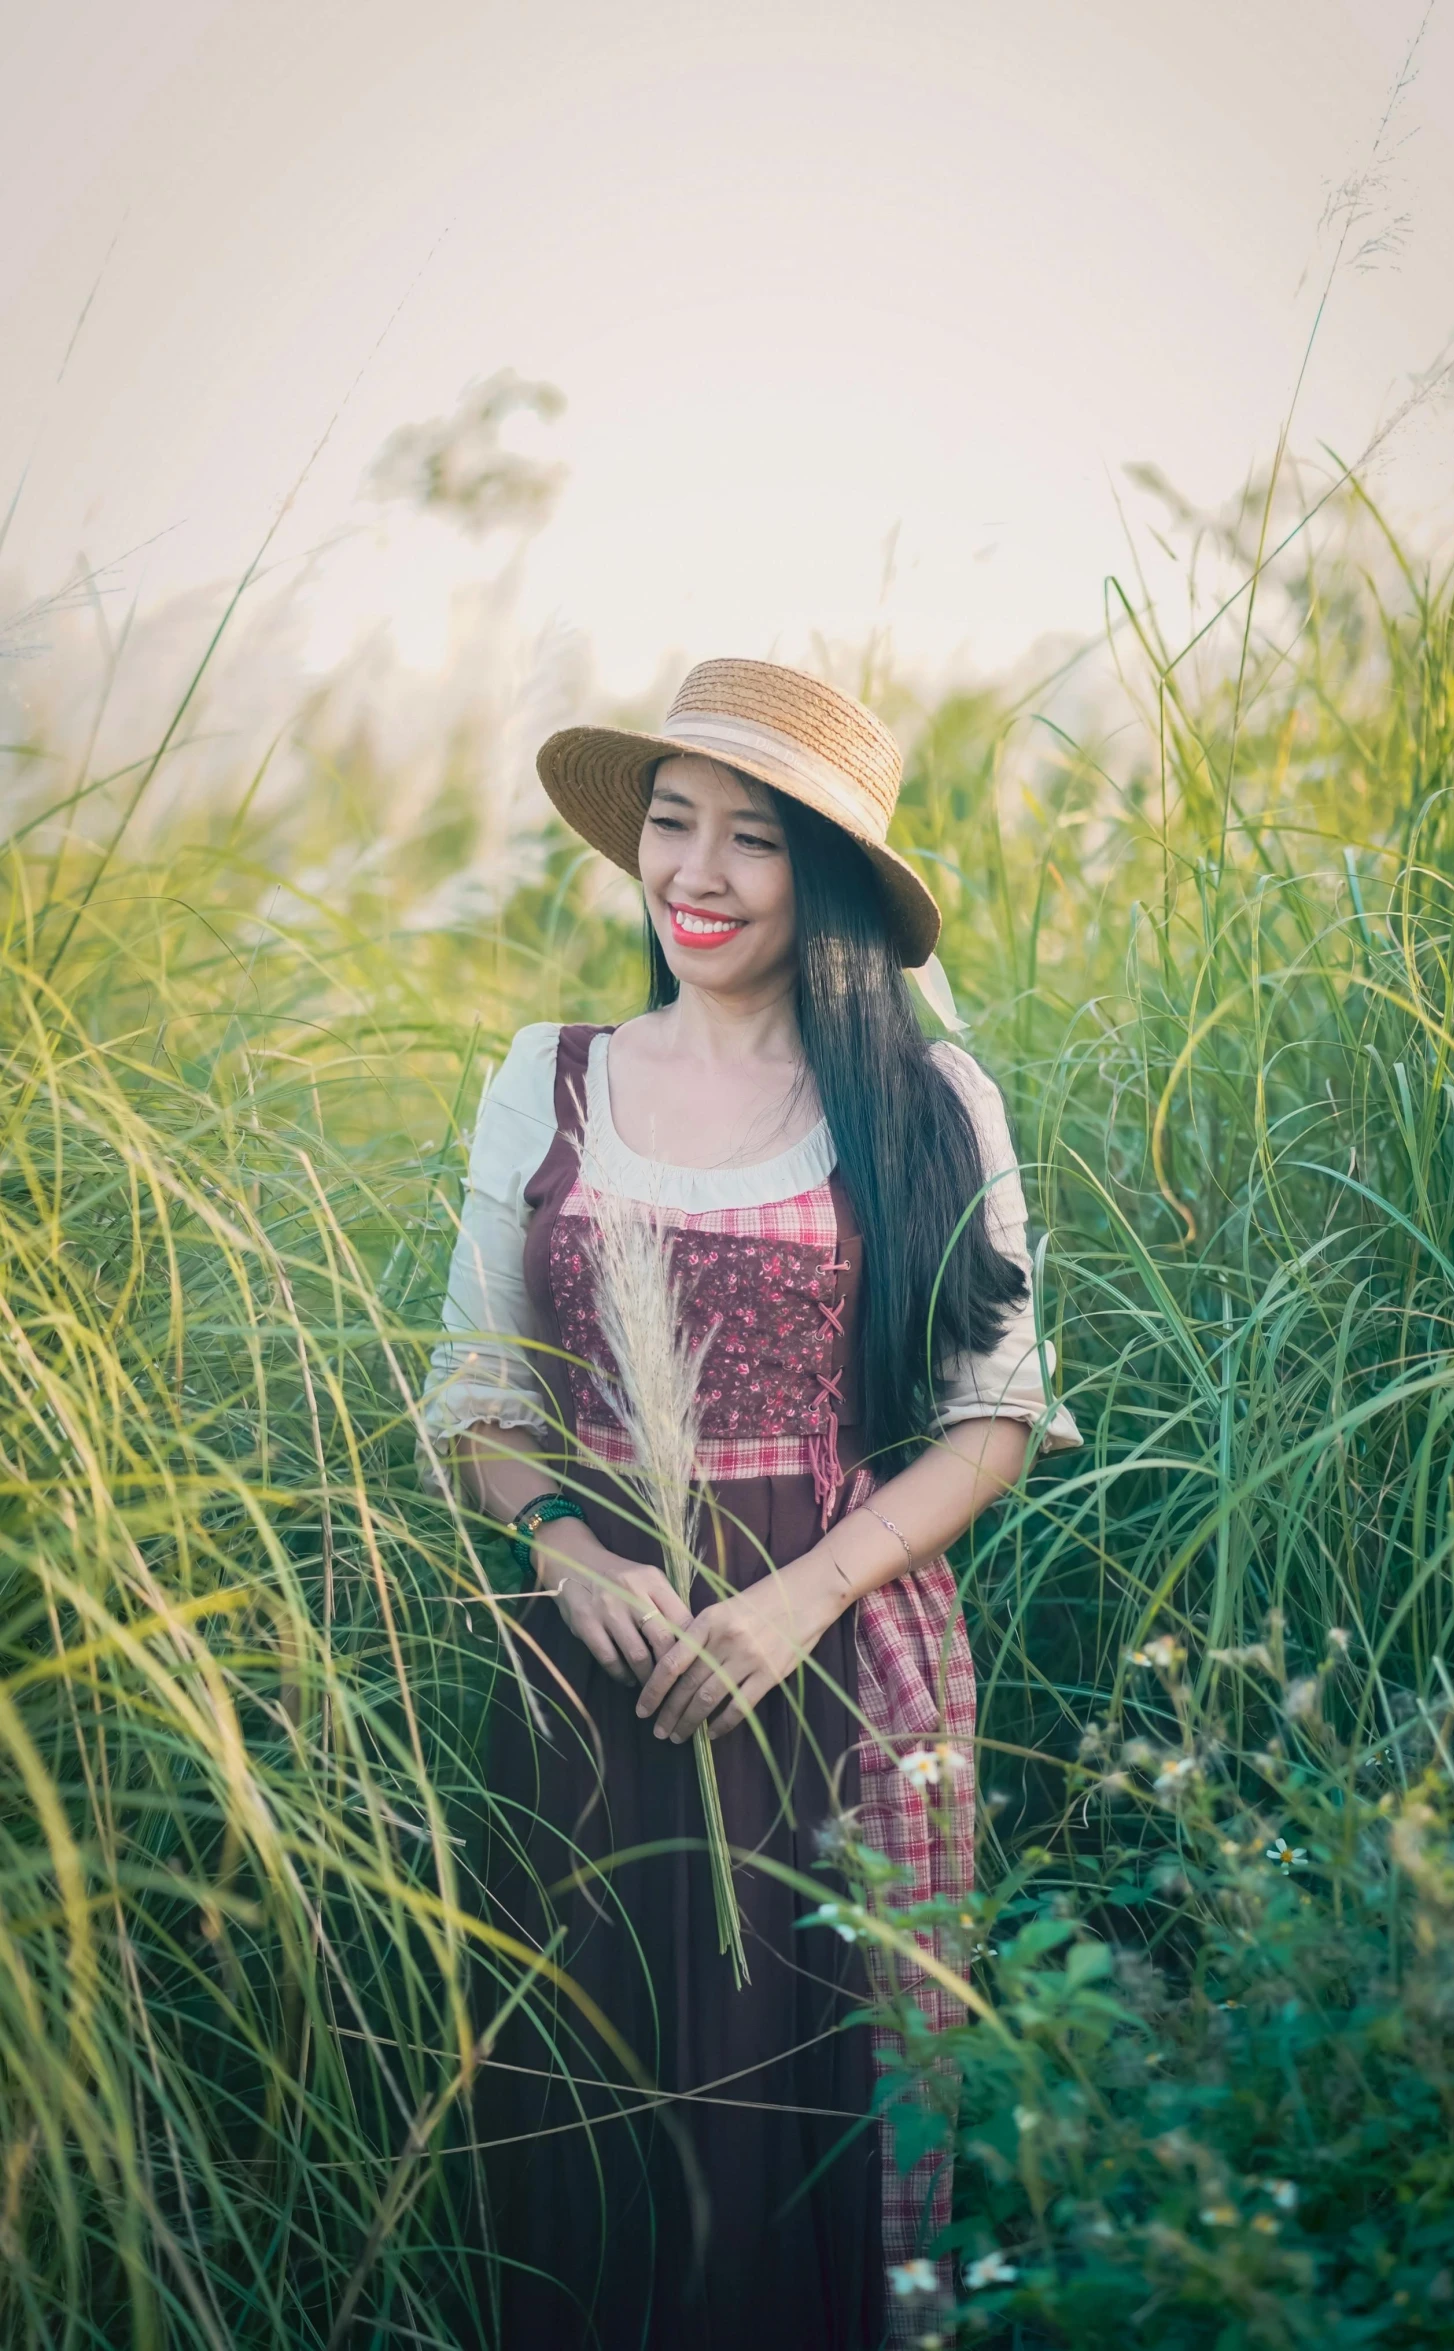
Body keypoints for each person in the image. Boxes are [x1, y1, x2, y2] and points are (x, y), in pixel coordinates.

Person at [421, 658, 1080, 2351]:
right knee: (600, 2124)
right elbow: (479, 1404)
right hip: (598, 1672)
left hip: (836, 1662)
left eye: (753, 841)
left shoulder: (928, 1100)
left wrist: (800, 1598)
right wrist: (563, 1549)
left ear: (829, 877)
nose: (693, 876)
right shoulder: (549, 1078)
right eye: (668, 824)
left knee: (811, 2129)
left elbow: (990, 1424)